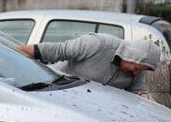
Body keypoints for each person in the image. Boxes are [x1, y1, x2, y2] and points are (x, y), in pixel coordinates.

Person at [16, 34, 159, 97]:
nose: (136, 73)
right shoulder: (97, 44)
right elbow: (56, 51)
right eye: (136, 68)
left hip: (88, 109)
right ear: (130, 55)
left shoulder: (139, 71)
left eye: (141, 70)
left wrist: (142, 96)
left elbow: (136, 93)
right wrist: (14, 51)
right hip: (52, 91)